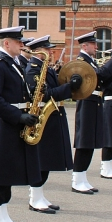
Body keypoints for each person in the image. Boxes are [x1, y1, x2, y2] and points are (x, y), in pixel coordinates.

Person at [0, 25, 41, 222]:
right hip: (6, 123)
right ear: (6, 43)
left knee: (8, 172)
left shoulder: (14, 63)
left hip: (15, 123)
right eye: (18, 42)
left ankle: (3, 215)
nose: (22, 45)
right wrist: (18, 116)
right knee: (0, 174)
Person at [23, 35, 75, 212]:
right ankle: (34, 197)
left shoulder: (46, 68)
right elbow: (43, 95)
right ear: (40, 51)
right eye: (48, 49)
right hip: (43, 119)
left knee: (48, 160)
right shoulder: (33, 70)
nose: (52, 52)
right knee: (42, 160)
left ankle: (40, 195)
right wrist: (69, 87)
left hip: (53, 117)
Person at [70, 32, 112, 194]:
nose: (96, 47)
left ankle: (83, 178)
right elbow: (99, 75)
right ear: (84, 46)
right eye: (93, 44)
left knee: (90, 142)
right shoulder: (81, 62)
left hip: (95, 102)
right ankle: (77, 180)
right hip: (87, 103)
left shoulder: (90, 62)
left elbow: (103, 80)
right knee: (84, 142)